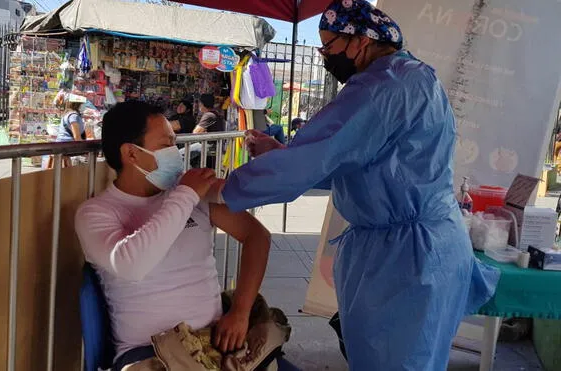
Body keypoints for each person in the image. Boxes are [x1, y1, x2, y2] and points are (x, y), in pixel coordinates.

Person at [208, 1, 500, 370]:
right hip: (419, 248)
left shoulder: (384, 85)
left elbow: (316, 158)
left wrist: (221, 190)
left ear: (360, 41)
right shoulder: (414, 76)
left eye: (329, 47)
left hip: (407, 260)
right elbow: (361, 163)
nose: (326, 57)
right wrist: (282, 153)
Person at [75, 101, 271, 371]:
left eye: (174, 143)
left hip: (214, 342)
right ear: (131, 154)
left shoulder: (195, 193)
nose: (175, 153)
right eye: (166, 145)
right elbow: (133, 265)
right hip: (151, 354)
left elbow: (257, 236)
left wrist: (240, 311)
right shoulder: (97, 213)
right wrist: (186, 195)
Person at [49, 92, 87, 168]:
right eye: (82, 103)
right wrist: (83, 149)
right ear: (77, 104)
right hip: (67, 146)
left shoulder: (68, 114)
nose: (83, 105)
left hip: (62, 144)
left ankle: (66, 176)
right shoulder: (73, 116)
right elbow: (76, 136)